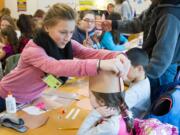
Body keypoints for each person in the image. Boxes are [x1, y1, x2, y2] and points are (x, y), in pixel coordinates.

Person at [0, 3, 130, 112]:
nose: (68, 37)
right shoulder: (33, 49)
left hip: (29, 98)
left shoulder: (68, 44)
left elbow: (90, 53)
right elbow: (57, 67)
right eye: (62, 32)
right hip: (5, 97)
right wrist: (99, 64)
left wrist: (119, 55)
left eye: (71, 32)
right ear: (46, 27)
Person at [102, 0, 180, 101]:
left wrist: (142, 76)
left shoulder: (170, 15)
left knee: (150, 102)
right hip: (150, 65)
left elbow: (162, 58)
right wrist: (114, 25)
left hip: (160, 71)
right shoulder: (157, 5)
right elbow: (138, 23)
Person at [78, 70, 133, 135]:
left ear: (101, 101)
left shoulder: (110, 127)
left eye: (90, 95)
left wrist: (95, 113)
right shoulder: (121, 108)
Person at [124, 48, 150, 118]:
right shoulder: (144, 79)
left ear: (139, 69)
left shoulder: (135, 92)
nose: (124, 70)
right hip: (138, 114)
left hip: (132, 122)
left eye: (126, 67)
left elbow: (116, 109)